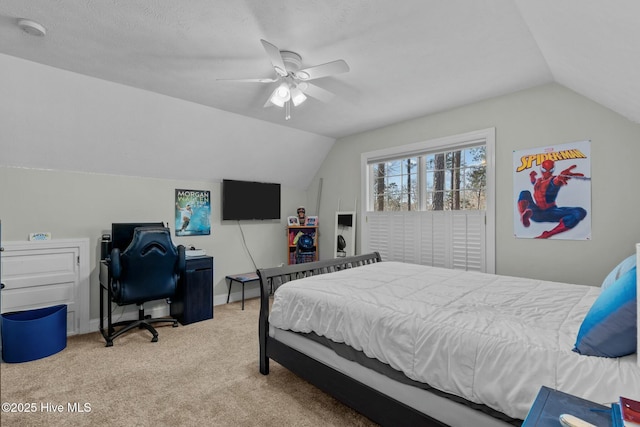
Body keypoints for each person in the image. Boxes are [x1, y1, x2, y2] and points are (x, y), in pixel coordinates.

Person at [517, 159, 587, 239]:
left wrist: (560, 178)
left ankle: (548, 234)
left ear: (553, 169)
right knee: (524, 193)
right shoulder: (538, 181)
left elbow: (555, 182)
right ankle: (523, 214)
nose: (547, 172)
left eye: (550, 170)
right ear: (541, 169)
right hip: (535, 212)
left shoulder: (553, 180)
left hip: (550, 212)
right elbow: (534, 182)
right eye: (544, 170)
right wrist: (532, 176)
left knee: (580, 212)